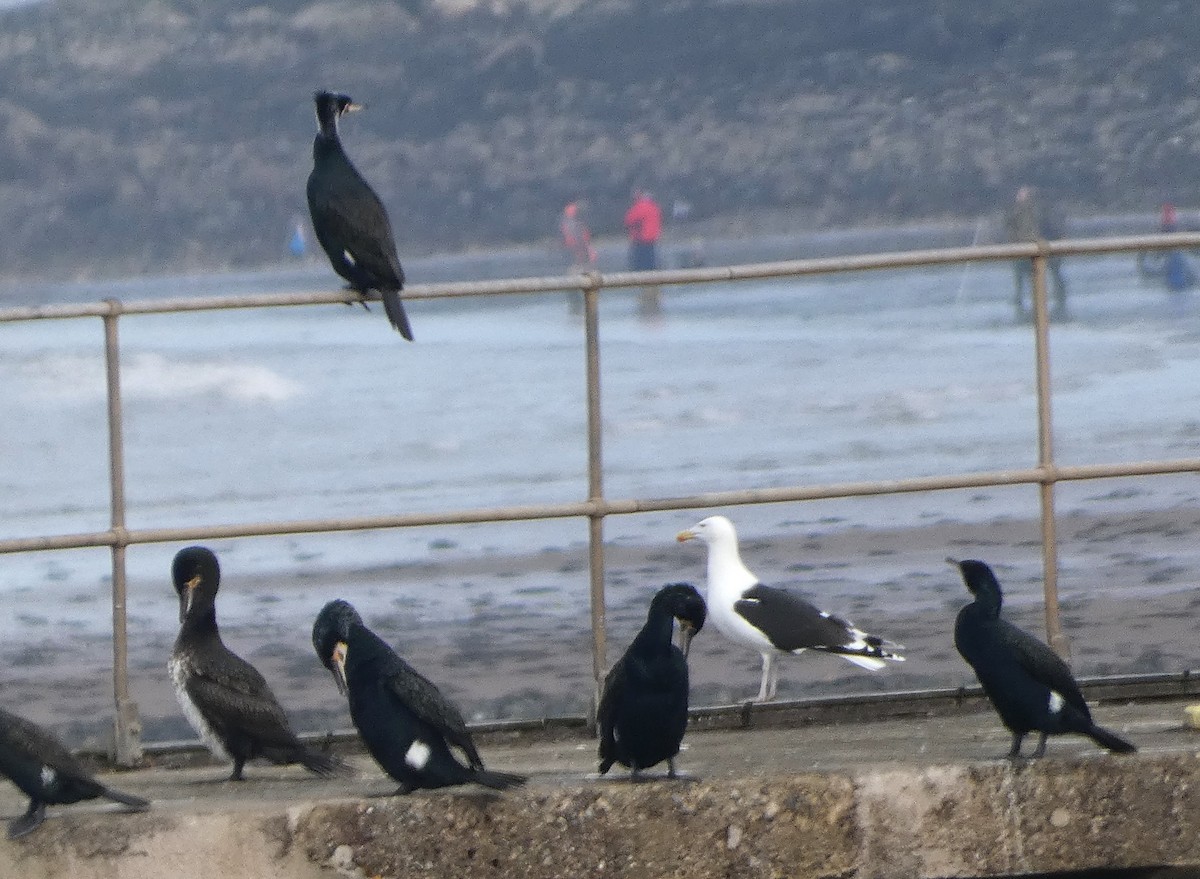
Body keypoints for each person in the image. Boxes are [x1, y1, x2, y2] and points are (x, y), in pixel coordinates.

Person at [1005, 185, 1068, 321]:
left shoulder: (1036, 210)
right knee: (1023, 277)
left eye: (1022, 194)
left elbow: (1046, 226)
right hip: (1022, 249)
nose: (1020, 197)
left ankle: (1053, 298)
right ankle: (1022, 300)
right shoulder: (1017, 211)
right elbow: (1010, 227)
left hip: (1034, 247)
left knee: (1045, 274)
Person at [624, 188, 663, 316]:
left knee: (642, 267)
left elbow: (629, 220)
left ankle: (646, 291)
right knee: (652, 265)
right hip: (652, 241)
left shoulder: (641, 207)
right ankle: (653, 290)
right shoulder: (654, 207)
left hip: (642, 241)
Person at [560, 201, 596, 270]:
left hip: (576, 244)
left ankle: (583, 265)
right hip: (574, 245)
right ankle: (581, 265)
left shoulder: (576, 223)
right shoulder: (572, 223)